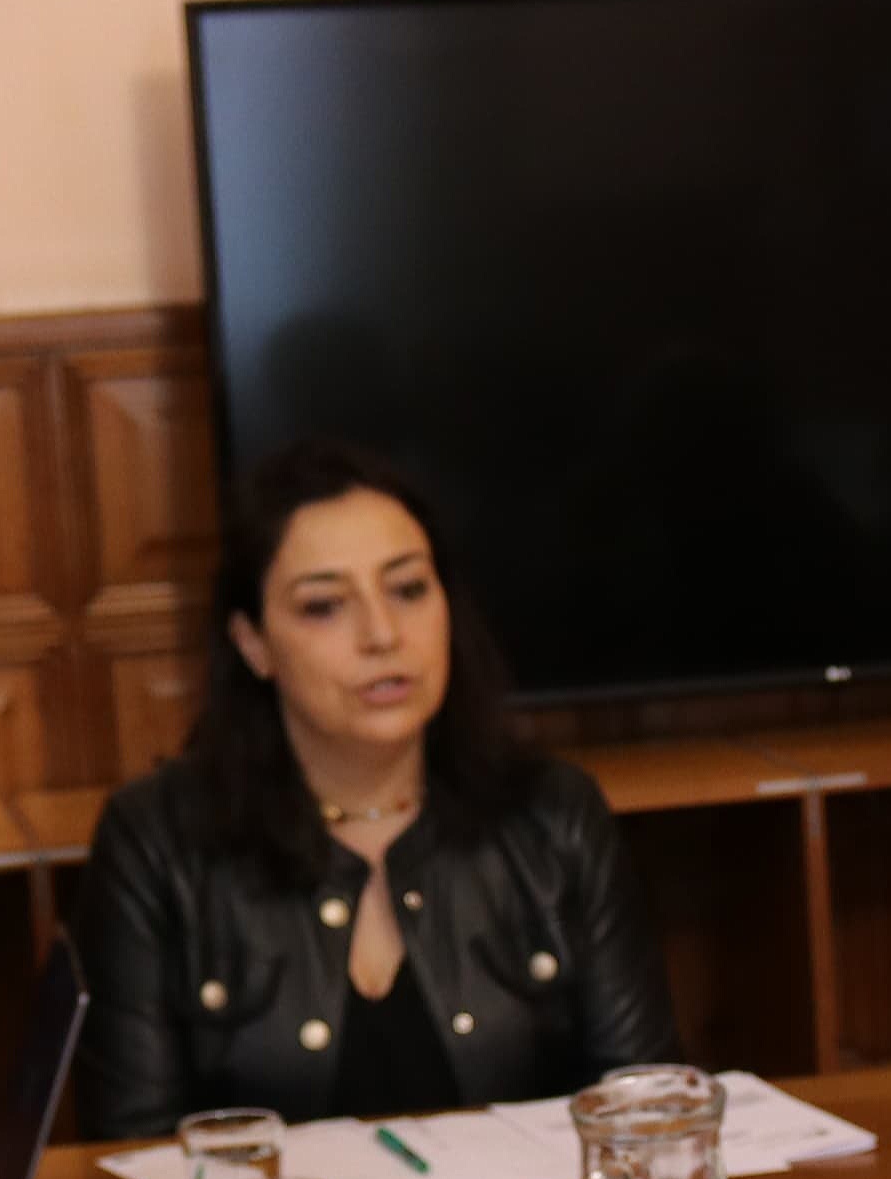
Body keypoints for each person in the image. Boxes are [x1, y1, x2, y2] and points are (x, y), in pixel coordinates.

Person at [76, 438, 677, 1140]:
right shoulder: (155, 844)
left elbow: (648, 1113)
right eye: (325, 606)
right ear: (253, 645)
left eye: (409, 589)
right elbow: (133, 1155)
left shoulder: (553, 816)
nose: (383, 634)